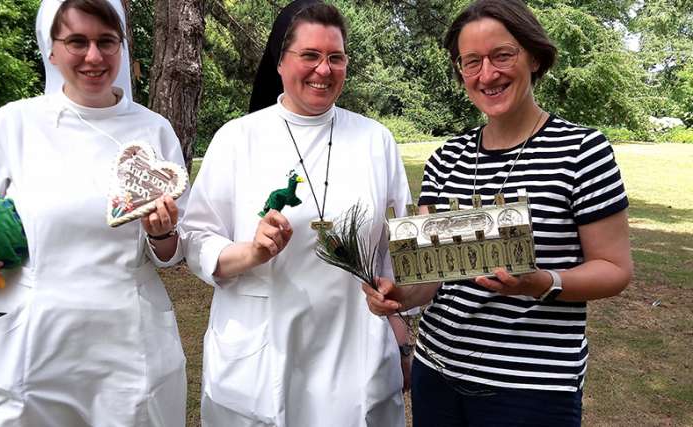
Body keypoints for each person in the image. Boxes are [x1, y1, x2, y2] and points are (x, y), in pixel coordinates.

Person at [0, 0, 188, 425]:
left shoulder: (154, 130)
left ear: (122, 47)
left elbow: (170, 255)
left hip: (127, 348)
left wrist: (161, 234)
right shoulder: (16, 124)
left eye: (106, 42)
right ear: (51, 48)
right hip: (29, 344)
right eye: (77, 41)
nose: (94, 56)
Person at [363, 1, 633, 426]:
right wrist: (400, 295)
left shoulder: (583, 151)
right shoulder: (446, 158)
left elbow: (615, 269)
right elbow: (431, 277)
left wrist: (542, 282)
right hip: (438, 374)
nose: (487, 74)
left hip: (532, 388)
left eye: (502, 55)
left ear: (534, 56)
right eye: (472, 62)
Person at [181, 3, 411, 426]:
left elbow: (396, 250)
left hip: (354, 352)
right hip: (264, 353)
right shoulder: (237, 139)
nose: (323, 70)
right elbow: (195, 237)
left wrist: (399, 324)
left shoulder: (376, 141)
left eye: (335, 57)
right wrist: (250, 252)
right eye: (310, 55)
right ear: (280, 61)